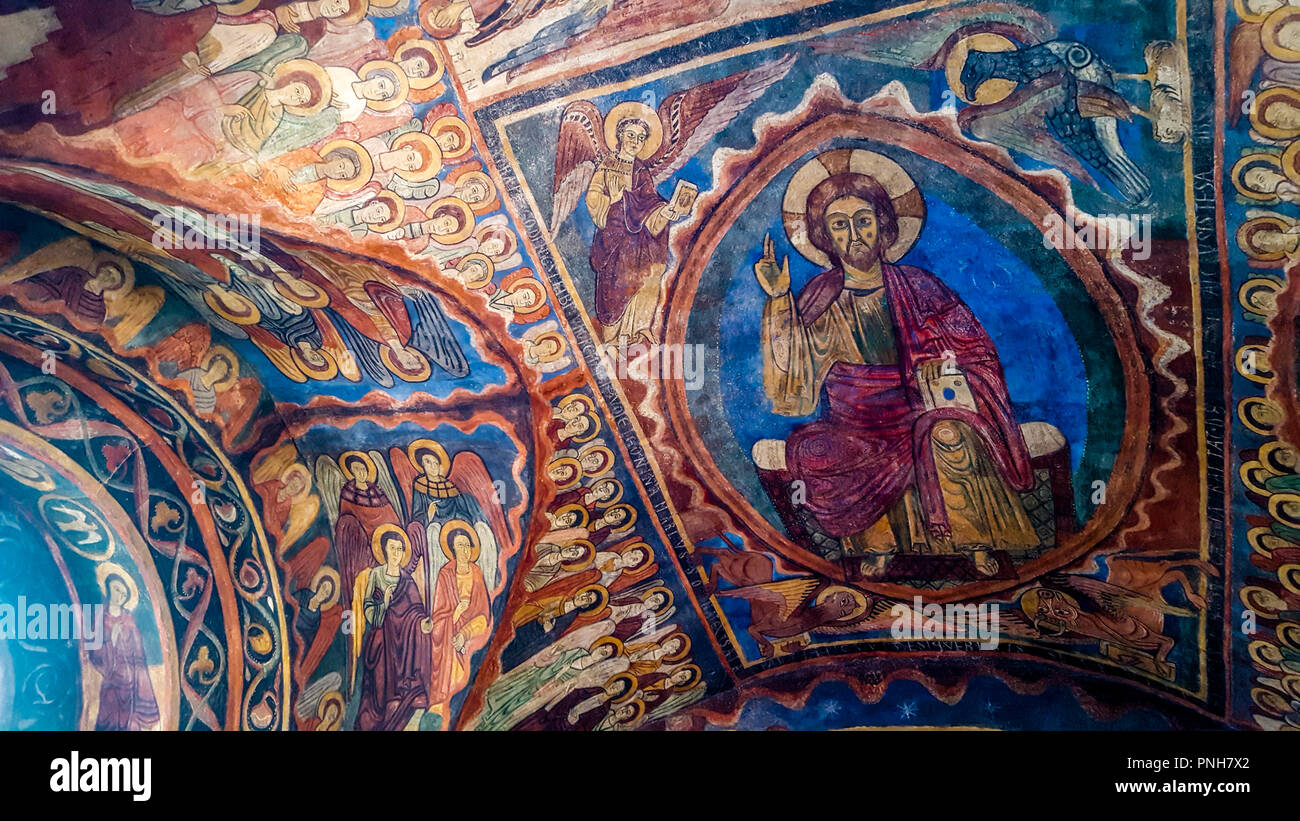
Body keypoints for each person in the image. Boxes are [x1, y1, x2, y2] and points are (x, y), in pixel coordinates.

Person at [753, 152, 1039, 578]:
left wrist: (949, 373)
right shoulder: (819, 295)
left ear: (884, 225)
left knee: (948, 432)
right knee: (822, 450)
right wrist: (779, 299)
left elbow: (975, 350)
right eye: (840, 225)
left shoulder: (922, 286)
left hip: (920, 405)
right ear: (826, 237)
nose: (855, 235)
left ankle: (976, 543)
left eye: (864, 220)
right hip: (856, 418)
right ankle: (876, 549)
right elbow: (792, 376)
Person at [586, 116, 688, 345]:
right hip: (615, 237)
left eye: (641, 138)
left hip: (641, 237)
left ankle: (640, 327)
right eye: (631, 135)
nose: (635, 142)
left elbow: (649, 200)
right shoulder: (608, 165)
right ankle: (613, 335)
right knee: (619, 281)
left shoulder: (640, 170)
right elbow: (593, 199)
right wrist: (612, 201)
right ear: (620, 136)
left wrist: (664, 212)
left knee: (652, 272)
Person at [90, 574, 160, 731]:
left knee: (130, 718)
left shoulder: (129, 620)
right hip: (111, 676)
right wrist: (111, 639)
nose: (119, 596)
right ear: (108, 589)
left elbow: (139, 652)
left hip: (130, 676)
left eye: (123, 593)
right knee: (109, 715)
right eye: (116, 589)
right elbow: (95, 653)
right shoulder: (100, 618)